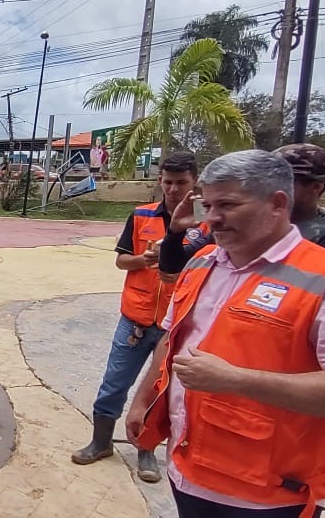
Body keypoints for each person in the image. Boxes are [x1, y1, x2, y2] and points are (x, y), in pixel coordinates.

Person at [126, 150, 325, 518]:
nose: (213, 219)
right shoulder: (203, 262)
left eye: (228, 205)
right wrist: (143, 399)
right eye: (208, 205)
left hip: (268, 495)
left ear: (277, 203)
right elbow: (173, 339)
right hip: (189, 471)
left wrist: (236, 380)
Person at [71, 152, 208, 483]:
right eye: (168, 181)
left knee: (159, 390)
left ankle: (146, 450)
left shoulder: (204, 223)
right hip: (135, 319)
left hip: (175, 326)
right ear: (159, 180)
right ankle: (100, 442)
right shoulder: (141, 215)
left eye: (182, 183)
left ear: (195, 183)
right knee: (114, 384)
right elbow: (121, 261)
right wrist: (144, 260)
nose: (174, 189)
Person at [160, 144, 325, 273]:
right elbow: (174, 265)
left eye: (288, 180)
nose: (269, 187)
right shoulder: (244, 225)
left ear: (316, 187)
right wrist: (175, 232)